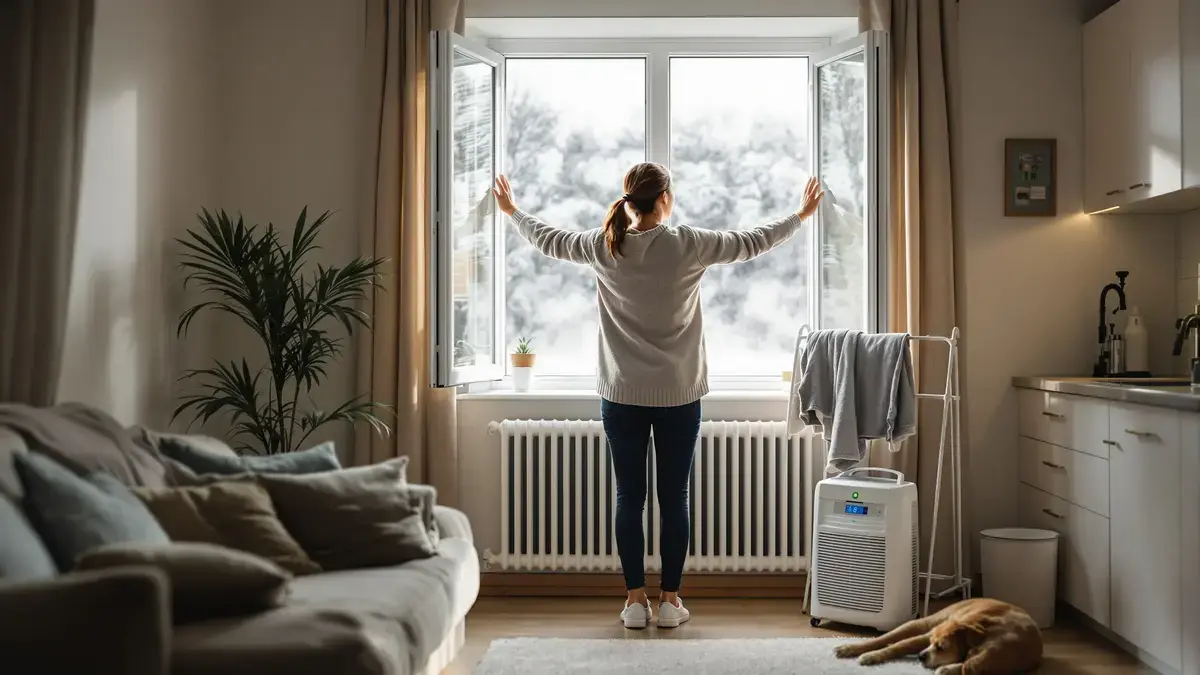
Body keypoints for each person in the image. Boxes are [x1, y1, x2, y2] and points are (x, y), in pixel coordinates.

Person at [492, 163, 823, 629]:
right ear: (664, 197)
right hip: (679, 395)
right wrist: (801, 215)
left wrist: (512, 211)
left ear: (630, 198)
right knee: (675, 498)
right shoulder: (688, 243)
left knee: (630, 497)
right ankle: (670, 601)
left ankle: (633, 602)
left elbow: (548, 239)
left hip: (622, 395)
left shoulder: (603, 245)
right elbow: (752, 242)